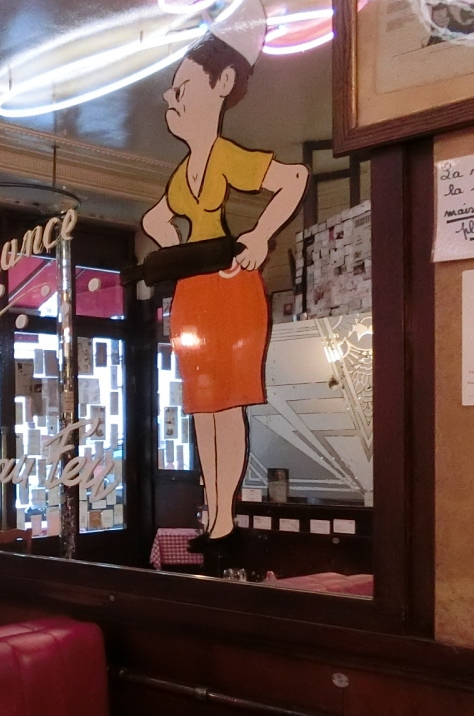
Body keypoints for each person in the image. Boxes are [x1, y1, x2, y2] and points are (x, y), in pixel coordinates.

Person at [140, 0, 307, 553]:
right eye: (172, 91)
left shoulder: (227, 156)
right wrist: (181, 253)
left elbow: (294, 178)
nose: (172, 99)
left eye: (183, 88)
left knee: (227, 405)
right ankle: (215, 515)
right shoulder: (183, 173)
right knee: (203, 407)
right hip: (195, 295)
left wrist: (258, 237)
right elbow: (155, 219)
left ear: (223, 84)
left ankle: (223, 518)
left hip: (231, 291)